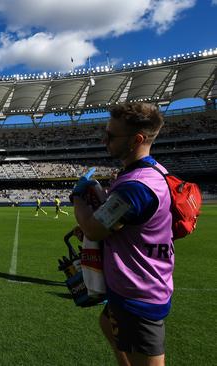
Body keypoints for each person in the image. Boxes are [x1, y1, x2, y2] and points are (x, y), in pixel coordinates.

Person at [72, 102, 173, 366]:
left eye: (111, 135)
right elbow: (122, 223)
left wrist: (77, 199)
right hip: (136, 283)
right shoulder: (149, 172)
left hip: (138, 292)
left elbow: (94, 227)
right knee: (107, 323)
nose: (104, 139)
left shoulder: (136, 187)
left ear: (137, 139)